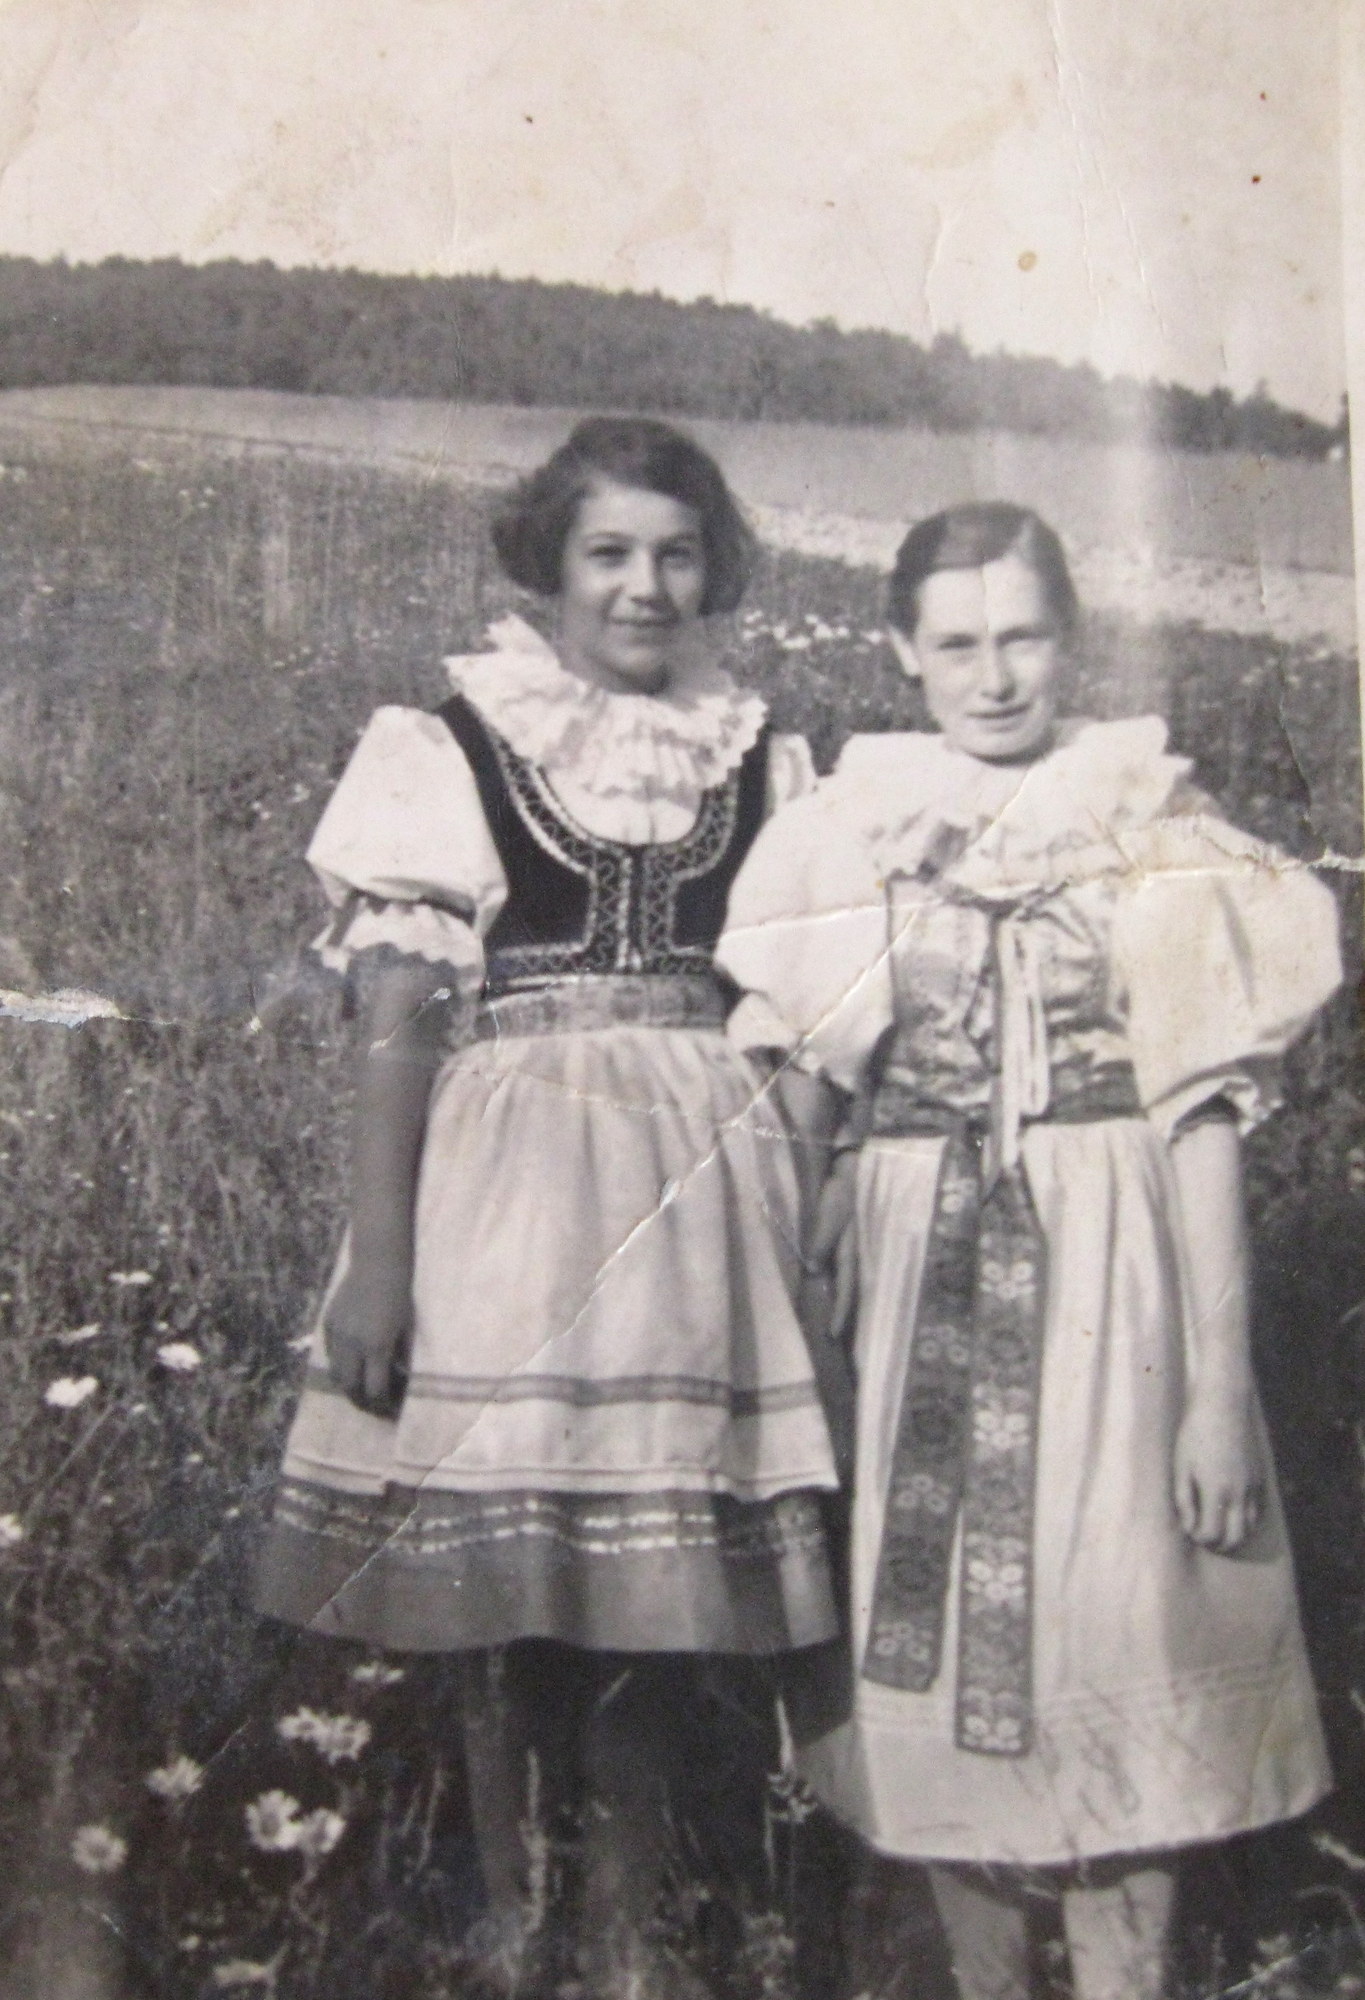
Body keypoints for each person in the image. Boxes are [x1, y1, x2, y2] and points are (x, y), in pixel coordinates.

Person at [716, 502, 1342, 2000]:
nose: (992, 678)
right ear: (902, 651)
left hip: (1116, 1263)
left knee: (1121, 1606)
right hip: (908, 1264)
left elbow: (1201, 1121)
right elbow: (802, 1100)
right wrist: (798, 1288)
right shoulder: (854, 825)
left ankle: (1128, 1979)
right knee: (927, 1629)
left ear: (1068, 641)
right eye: (957, 644)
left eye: (1022, 638)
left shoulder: (1149, 822)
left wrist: (1213, 1391)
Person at [253, 417, 841, 1999]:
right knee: (510, 1601)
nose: (644, 588)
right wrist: (380, 1267)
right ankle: (518, 1921)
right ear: (549, 567)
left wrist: (806, 1228)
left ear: (712, 570)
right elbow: (398, 1020)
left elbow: (800, 1020)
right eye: (608, 553)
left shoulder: (765, 759)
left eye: (675, 554)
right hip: (508, 1193)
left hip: (696, 1202)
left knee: (653, 1593)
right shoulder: (451, 745)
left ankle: (627, 1930)